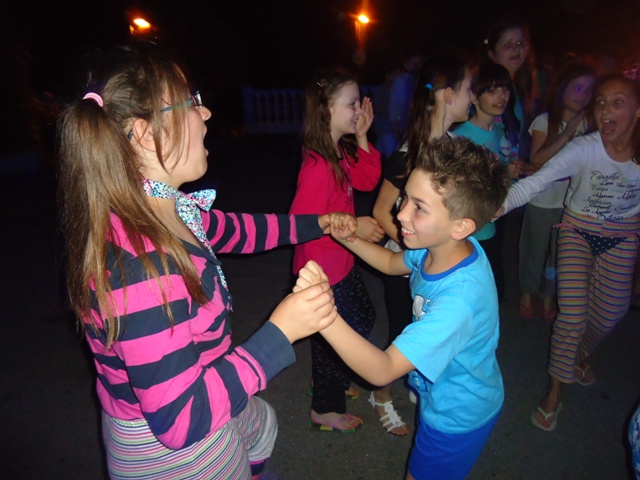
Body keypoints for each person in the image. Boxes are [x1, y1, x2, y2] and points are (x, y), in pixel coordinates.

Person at [58, 43, 345, 479]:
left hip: (204, 383)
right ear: (144, 133)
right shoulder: (140, 268)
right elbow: (180, 419)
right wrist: (282, 332)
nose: (205, 112)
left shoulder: (167, 208)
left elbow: (241, 230)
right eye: (190, 102)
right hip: (175, 455)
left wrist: (318, 223)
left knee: (261, 425)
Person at [297, 136, 508, 480]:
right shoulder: (439, 246)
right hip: (441, 391)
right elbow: (391, 262)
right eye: (405, 198)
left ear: (461, 226)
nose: (401, 213)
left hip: (458, 414)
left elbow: (383, 370)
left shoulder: (458, 303)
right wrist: (347, 238)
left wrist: (323, 314)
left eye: (419, 207)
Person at [495, 74, 640, 432]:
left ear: (638, 111)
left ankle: (579, 353)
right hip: (577, 232)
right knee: (572, 315)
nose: (604, 109)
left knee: (611, 314)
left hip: (622, 237)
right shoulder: (585, 147)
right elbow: (537, 181)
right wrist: (496, 207)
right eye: (600, 101)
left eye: (617, 102)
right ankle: (555, 389)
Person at [371, 55, 473, 436]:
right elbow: (381, 210)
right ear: (448, 95)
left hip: (438, 262)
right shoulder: (410, 153)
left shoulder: (453, 146)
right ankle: (380, 394)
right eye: (468, 89)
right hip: (407, 262)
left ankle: (415, 381)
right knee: (404, 331)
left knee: (428, 326)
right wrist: (413, 250)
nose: (473, 97)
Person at [289, 68, 382, 432]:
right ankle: (324, 409)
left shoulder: (336, 152)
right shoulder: (317, 166)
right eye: (352, 104)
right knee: (338, 333)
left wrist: (362, 137)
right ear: (327, 110)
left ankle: (328, 379)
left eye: (359, 102)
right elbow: (300, 223)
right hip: (322, 268)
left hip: (340, 261)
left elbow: (367, 180)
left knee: (360, 319)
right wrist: (352, 224)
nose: (359, 110)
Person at [518, 61, 596, 322]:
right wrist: (567, 134)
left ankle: (548, 294)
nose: (582, 95)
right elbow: (537, 158)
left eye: (588, 90)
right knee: (535, 249)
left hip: (571, 204)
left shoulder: (591, 124)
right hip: (542, 200)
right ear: (563, 89)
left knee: (560, 254)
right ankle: (527, 291)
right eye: (577, 88)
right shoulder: (544, 120)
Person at [454, 62, 522, 302]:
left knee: (492, 291)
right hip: (470, 226)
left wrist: (510, 172)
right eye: (492, 90)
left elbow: (505, 175)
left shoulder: (502, 133)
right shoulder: (461, 135)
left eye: (505, 89)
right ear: (474, 97)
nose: (501, 96)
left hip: (493, 221)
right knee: (474, 291)